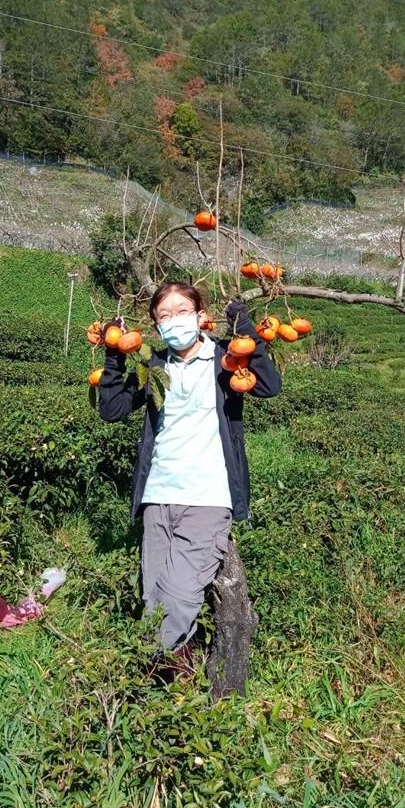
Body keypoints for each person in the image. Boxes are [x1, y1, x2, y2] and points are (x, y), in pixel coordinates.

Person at [98, 282, 281, 679]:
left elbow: (269, 386)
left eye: (181, 311)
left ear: (201, 316)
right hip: (157, 497)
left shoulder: (226, 360)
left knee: (179, 601)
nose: (172, 321)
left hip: (207, 498)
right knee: (153, 599)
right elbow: (111, 410)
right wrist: (114, 356)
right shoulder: (154, 365)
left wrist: (244, 327)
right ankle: (175, 683)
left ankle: (149, 687)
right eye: (163, 316)